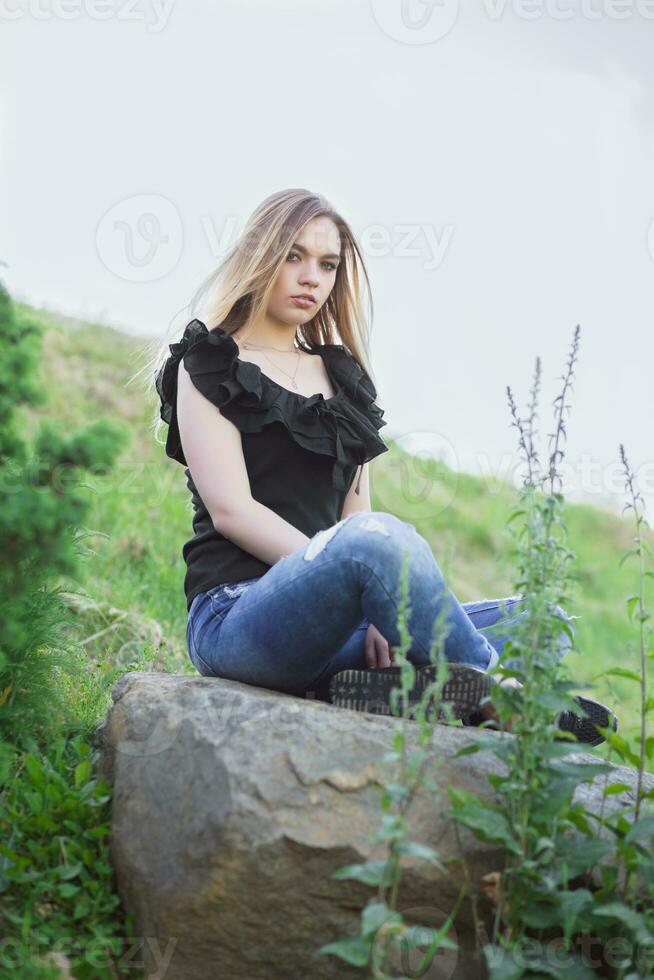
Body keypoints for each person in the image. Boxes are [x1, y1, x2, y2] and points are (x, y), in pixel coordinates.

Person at [151, 188, 616, 746]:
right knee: (375, 541)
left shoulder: (341, 376)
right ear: (261, 255)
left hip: (341, 630)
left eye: (327, 265)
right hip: (241, 618)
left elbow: (356, 512)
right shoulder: (209, 362)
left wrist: (379, 607)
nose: (311, 278)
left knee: (544, 620)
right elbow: (232, 511)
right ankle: (500, 692)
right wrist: (363, 581)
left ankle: (383, 686)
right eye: (294, 256)